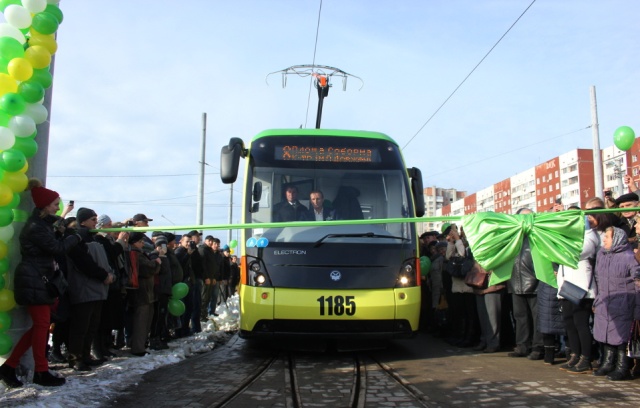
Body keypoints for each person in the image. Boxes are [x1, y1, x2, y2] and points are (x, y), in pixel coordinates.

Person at [0, 179, 81, 387]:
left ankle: (10, 366)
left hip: (37, 279)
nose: (58, 207)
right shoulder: (36, 227)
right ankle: (40, 371)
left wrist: (63, 229)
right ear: (45, 205)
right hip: (34, 279)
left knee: (40, 326)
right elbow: (57, 248)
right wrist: (76, 237)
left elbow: (53, 237)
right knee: (42, 326)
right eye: (55, 204)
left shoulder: (41, 224)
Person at [65, 207, 115, 371]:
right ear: (83, 221)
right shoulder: (77, 238)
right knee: (80, 326)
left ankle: (86, 355)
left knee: (92, 326)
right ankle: (76, 358)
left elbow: (105, 261)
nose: (96, 222)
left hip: (98, 290)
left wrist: (110, 274)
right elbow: (84, 263)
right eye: (93, 219)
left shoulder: (96, 239)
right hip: (84, 289)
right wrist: (103, 275)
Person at [592, 226, 640, 381]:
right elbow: (598, 278)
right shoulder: (601, 254)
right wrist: (597, 299)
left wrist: (637, 308)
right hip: (605, 301)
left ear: (617, 239)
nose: (604, 239)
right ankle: (607, 364)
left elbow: (637, 282)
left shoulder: (628, 257)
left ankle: (622, 367)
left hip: (624, 303)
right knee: (605, 334)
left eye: (607, 236)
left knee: (621, 337)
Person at [507, 208, 543, 360]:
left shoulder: (538, 236)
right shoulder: (513, 237)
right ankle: (522, 346)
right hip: (516, 282)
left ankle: (538, 347)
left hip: (535, 283)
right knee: (520, 316)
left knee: (537, 317)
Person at [128, 232, 162, 357]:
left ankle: (140, 345)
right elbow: (148, 269)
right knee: (140, 322)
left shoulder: (140, 253)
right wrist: (156, 262)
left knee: (145, 320)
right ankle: (138, 347)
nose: (142, 243)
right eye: (140, 241)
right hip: (141, 293)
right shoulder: (135, 254)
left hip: (147, 292)